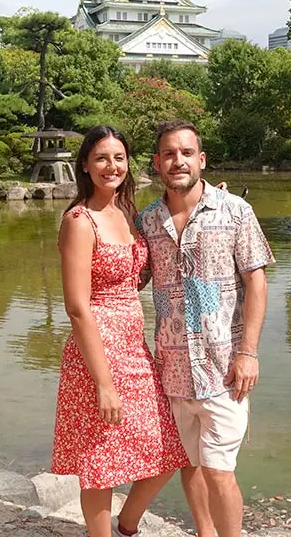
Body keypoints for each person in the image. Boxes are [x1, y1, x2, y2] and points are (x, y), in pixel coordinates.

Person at [137, 119, 275, 537]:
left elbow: (256, 281)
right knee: (190, 462)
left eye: (185, 153)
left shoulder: (235, 211)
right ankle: (204, 532)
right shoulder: (147, 221)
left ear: (201, 159)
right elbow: (129, 280)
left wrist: (248, 353)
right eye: (168, 154)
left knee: (219, 470)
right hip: (173, 368)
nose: (177, 161)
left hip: (223, 368)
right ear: (157, 163)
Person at [51, 125, 191, 537]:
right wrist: (103, 383)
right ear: (85, 165)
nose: (111, 166)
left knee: (169, 445)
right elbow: (77, 307)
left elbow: (136, 275)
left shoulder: (128, 213)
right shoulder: (80, 221)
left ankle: (127, 524)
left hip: (134, 347)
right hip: (96, 351)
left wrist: (207, 200)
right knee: (100, 459)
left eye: (118, 158)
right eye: (101, 158)